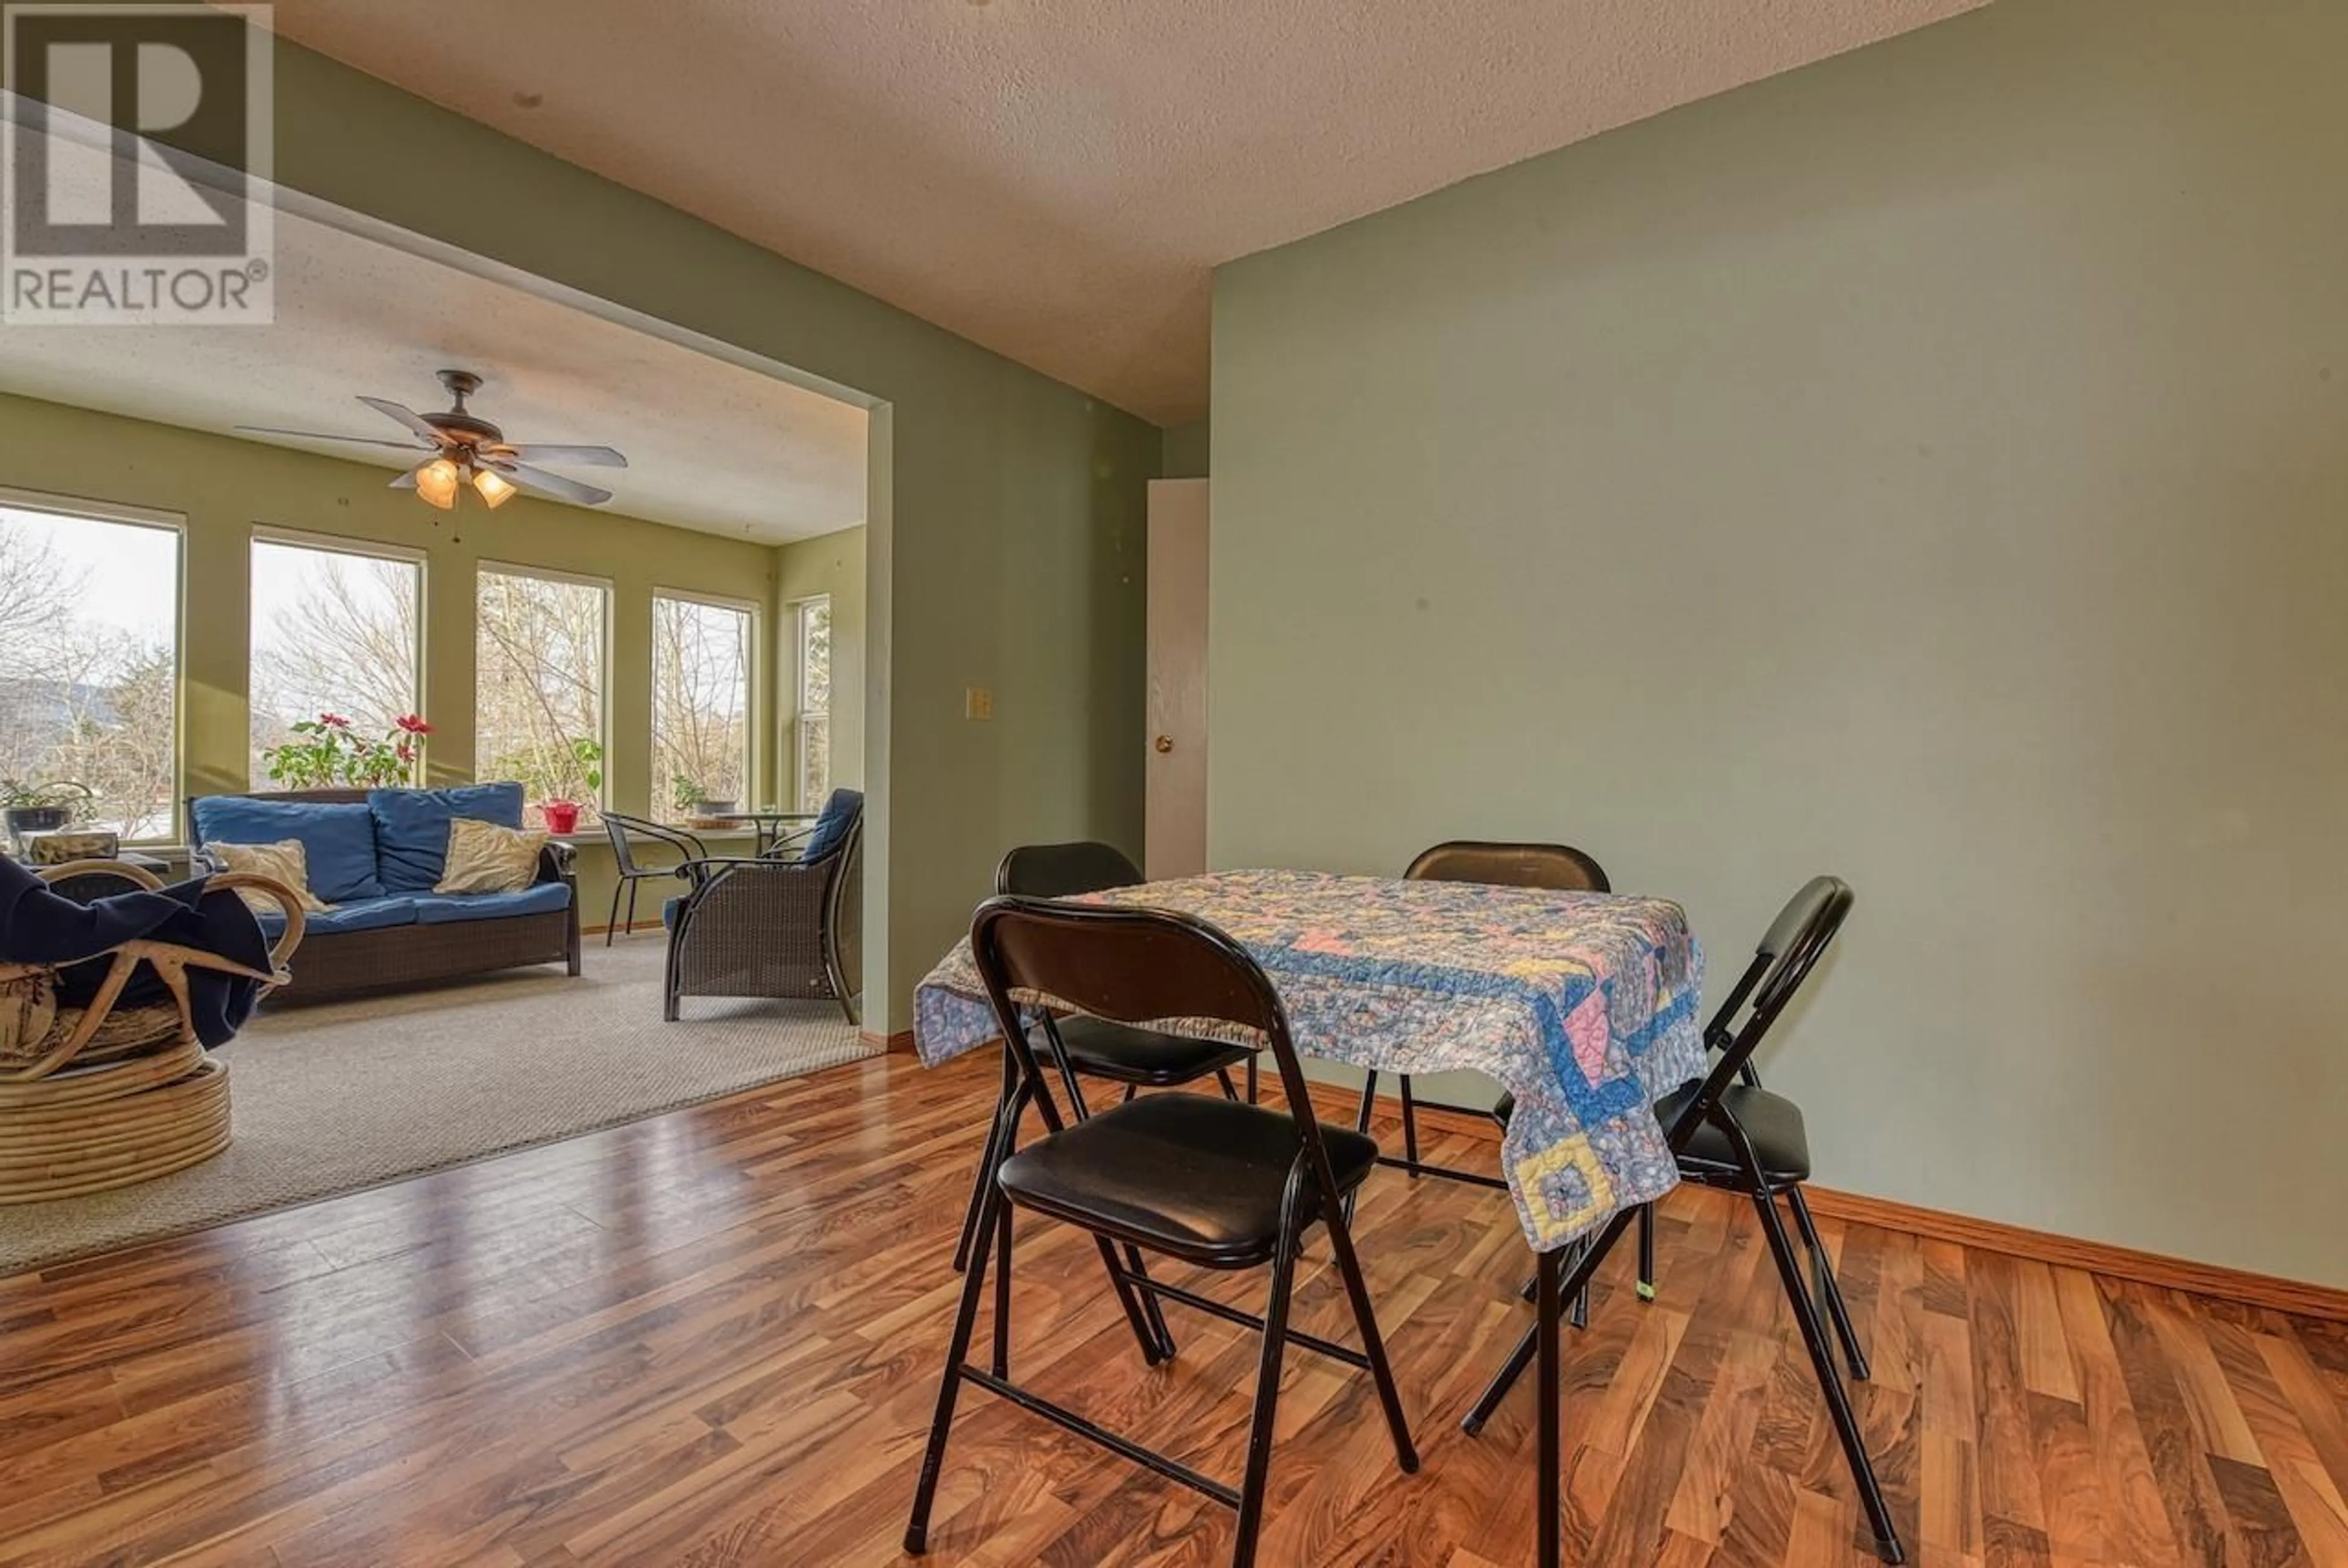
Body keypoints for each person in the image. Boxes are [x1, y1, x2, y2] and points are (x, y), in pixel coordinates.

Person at [0, 857, 276, 1049]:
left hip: (51, 949)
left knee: (178, 910)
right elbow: (68, 932)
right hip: (67, 968)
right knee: (202, 910)